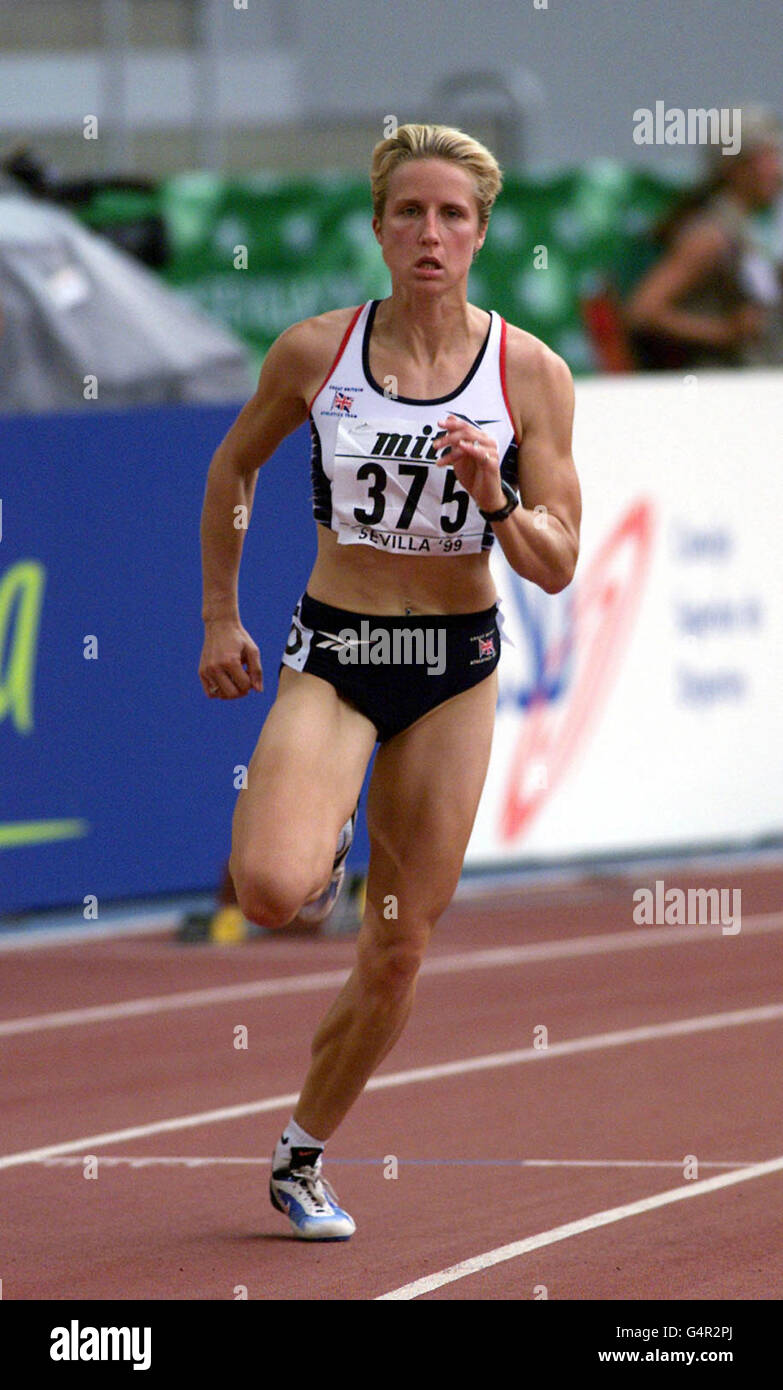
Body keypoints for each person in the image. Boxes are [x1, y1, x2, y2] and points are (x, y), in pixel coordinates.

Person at [198, 123, 581, 1240]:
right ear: (377, 227)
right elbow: (234, 465)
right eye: (409, 212)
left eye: (452, 215)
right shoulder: (316, 352)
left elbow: (557, 562)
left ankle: (302, 1154)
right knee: (269, 892)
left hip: (452, 671)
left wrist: (496, 495)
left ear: (481, 233)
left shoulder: (531, 375)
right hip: (340, 650)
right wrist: (221, 611)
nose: (429, 233)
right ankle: (314, 841)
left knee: (401, 941)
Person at [625, 105, 783, 370]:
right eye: (768, 158)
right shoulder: (710, 235)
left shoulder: (741, 230)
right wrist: (724, 332)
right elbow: (643, 311)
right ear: (736, 168)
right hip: (717, 385)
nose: (778, 171)